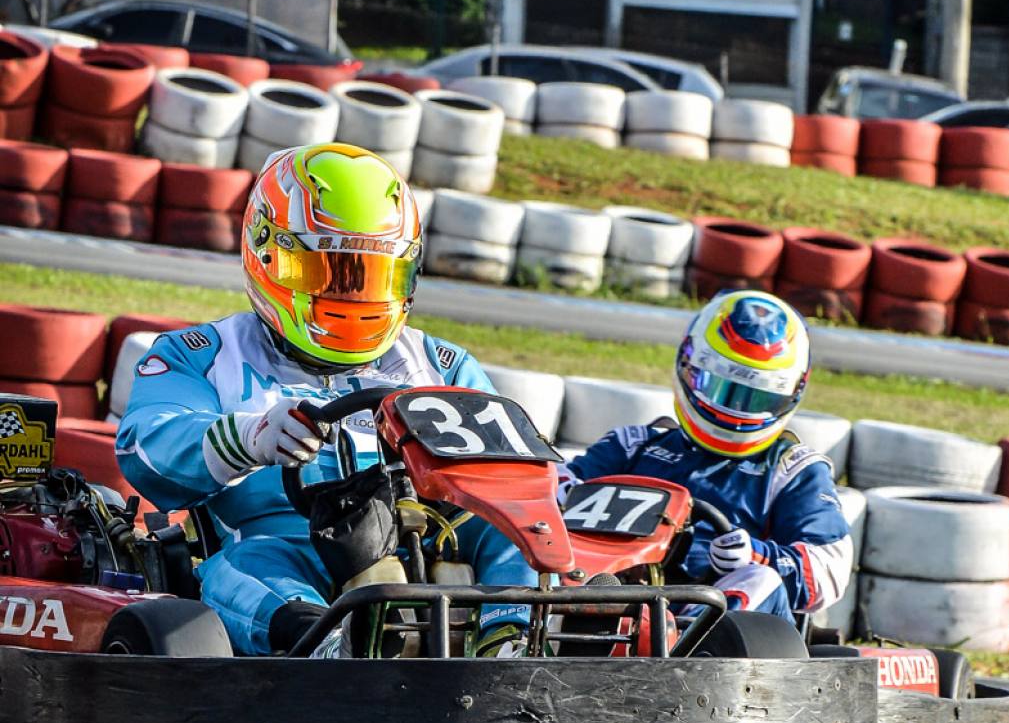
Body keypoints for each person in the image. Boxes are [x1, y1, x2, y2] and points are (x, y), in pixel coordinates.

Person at [117, 142, 534, 657]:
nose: (354, 293)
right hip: (290, 542)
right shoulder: (201, 355)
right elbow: (146, 448)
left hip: (428, 541)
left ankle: (513, 641)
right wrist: (247, 438)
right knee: (241, 567)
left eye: (374, 274)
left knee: (518, 531)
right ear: (269, 252)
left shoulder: (441, 366)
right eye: (330, 270)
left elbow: (513, 477)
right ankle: (330, 645)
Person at [563, 291, 853, 621]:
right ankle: (517, 638)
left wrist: (757, 555)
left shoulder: (792, 470)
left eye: (755, 399)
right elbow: (556, 492)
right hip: (613, 595)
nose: (735, 412)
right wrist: (554, 489)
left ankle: (685, 651)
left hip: (713, 623)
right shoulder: (634, 444)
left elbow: (829, 567)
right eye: (721, 389)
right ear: (688, 364)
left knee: (761, 580)